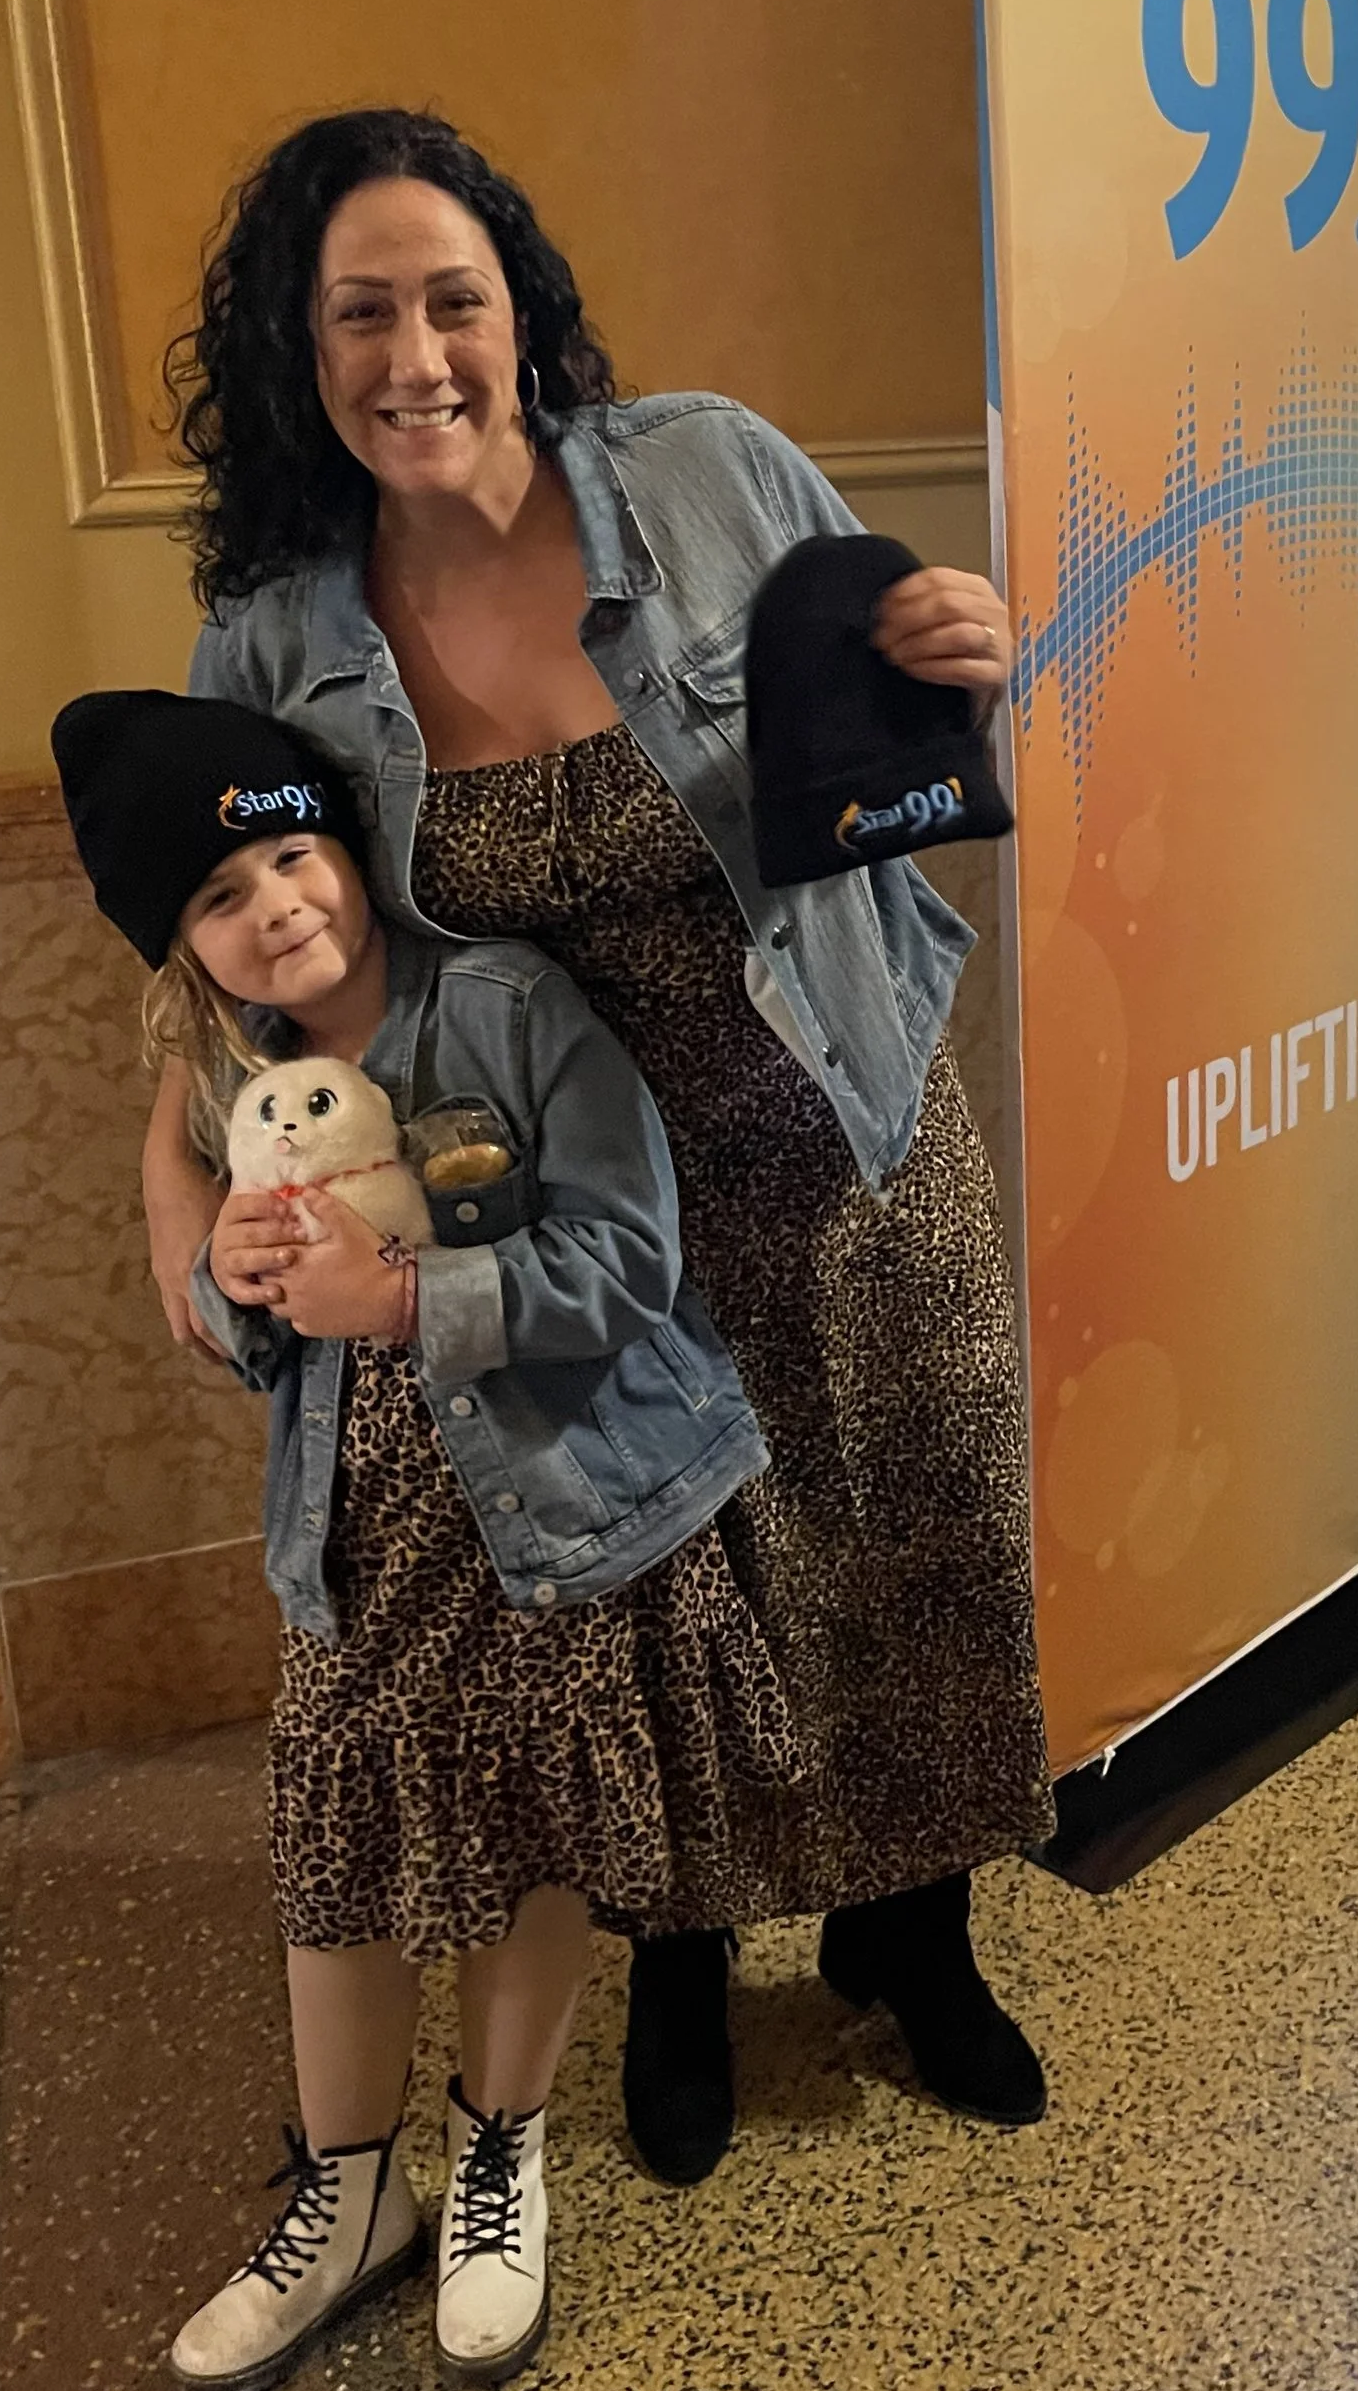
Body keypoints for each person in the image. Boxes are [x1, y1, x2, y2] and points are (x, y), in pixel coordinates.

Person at [142, 105, 1053, 2185]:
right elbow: (235, 941)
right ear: (298, 350)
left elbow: (897, 733)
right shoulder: (275, 634)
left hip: (843, 1138)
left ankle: (917, 1940)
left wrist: (967, 656)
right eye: (357, 315)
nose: (415, 357)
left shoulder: (712, 471)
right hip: (562, 1207)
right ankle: (683, 1972)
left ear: (518, 310)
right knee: (662, 1591)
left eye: (450, 300)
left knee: (909, 1534)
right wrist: (176, 1172)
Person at [55, 686, 788, 2391]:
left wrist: (406, 1294)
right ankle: (350, 2188)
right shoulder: (238, 1088)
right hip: (357, 1549)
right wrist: (233, 1283)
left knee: (530, 1835)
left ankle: (499, 2148)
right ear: (182, 948)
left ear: (344, 844)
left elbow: (630, 1258)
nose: (275, 908)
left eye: (289, 856)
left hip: (550, 1516)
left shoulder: (508, 1007)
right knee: (339, 1857)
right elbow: (245, 1340)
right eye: (219, 898)